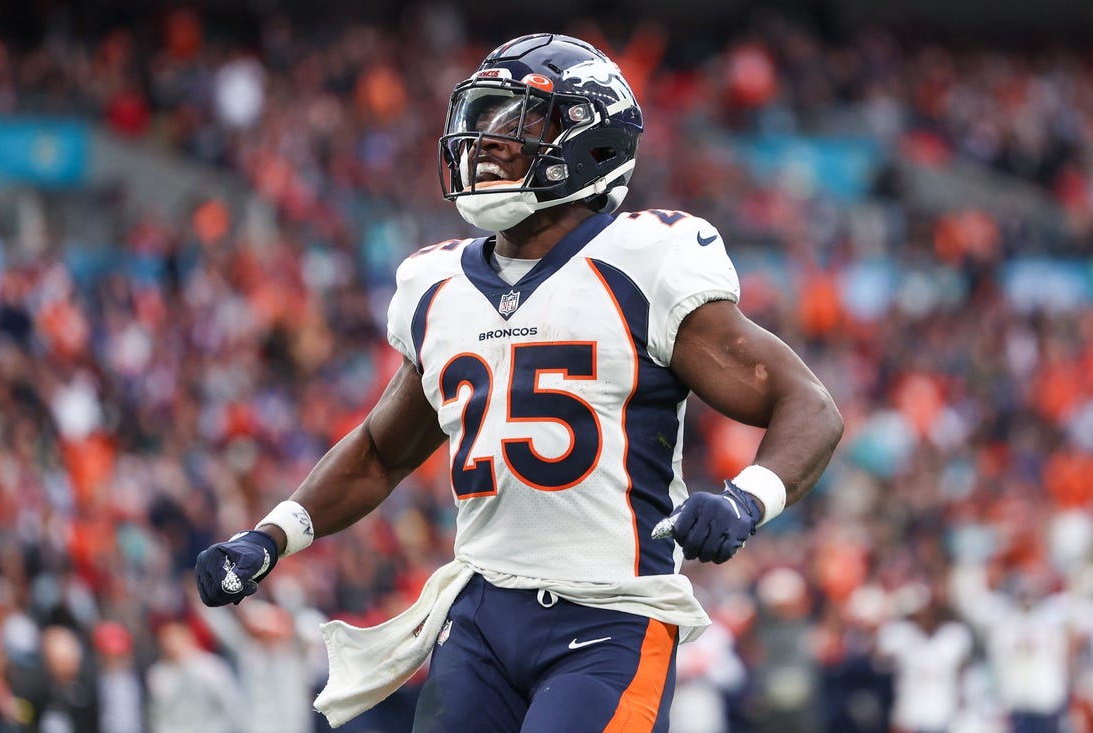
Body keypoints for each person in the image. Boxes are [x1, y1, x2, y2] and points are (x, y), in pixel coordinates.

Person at [194, 32, 842, 732]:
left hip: (611, 618)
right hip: (479, 618)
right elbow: (383, 451)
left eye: (516, 121)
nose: (487, 141)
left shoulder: (642, 263)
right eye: (484, 120)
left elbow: (807, 404)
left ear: (590, 140)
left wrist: (748, 500)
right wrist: (272, 535)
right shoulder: (437, 284)